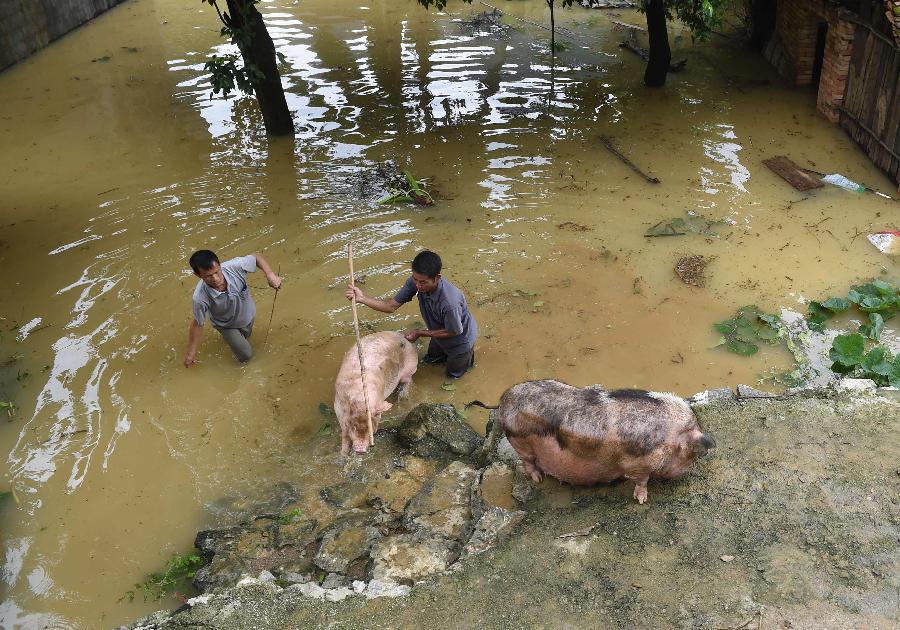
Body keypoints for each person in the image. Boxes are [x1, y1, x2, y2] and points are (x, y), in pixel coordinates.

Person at [346, 250, 478, 378]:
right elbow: (390, 306)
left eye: (423, 282)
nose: (418, 285)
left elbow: (454, 331)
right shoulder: (415, 282)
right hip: (439, 331)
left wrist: (420, 332)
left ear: (437, 278)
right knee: (430, 361)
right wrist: (362, 299)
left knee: (452, 375)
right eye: (415, 279)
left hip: (460, 340)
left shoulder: (450, 302)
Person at [183, 250, 281, 367]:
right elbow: (198, 323)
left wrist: (270, 274)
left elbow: (257, 256)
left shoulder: (234, 267)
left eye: (217, 272)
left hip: (248, 315)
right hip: (226, 325)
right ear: (198, 275)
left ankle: (236, 342)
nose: (215, 278)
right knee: (247, 355)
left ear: (220, 265)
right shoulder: (199, 297)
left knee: (246, 337)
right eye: (208, 276)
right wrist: (191, 352)